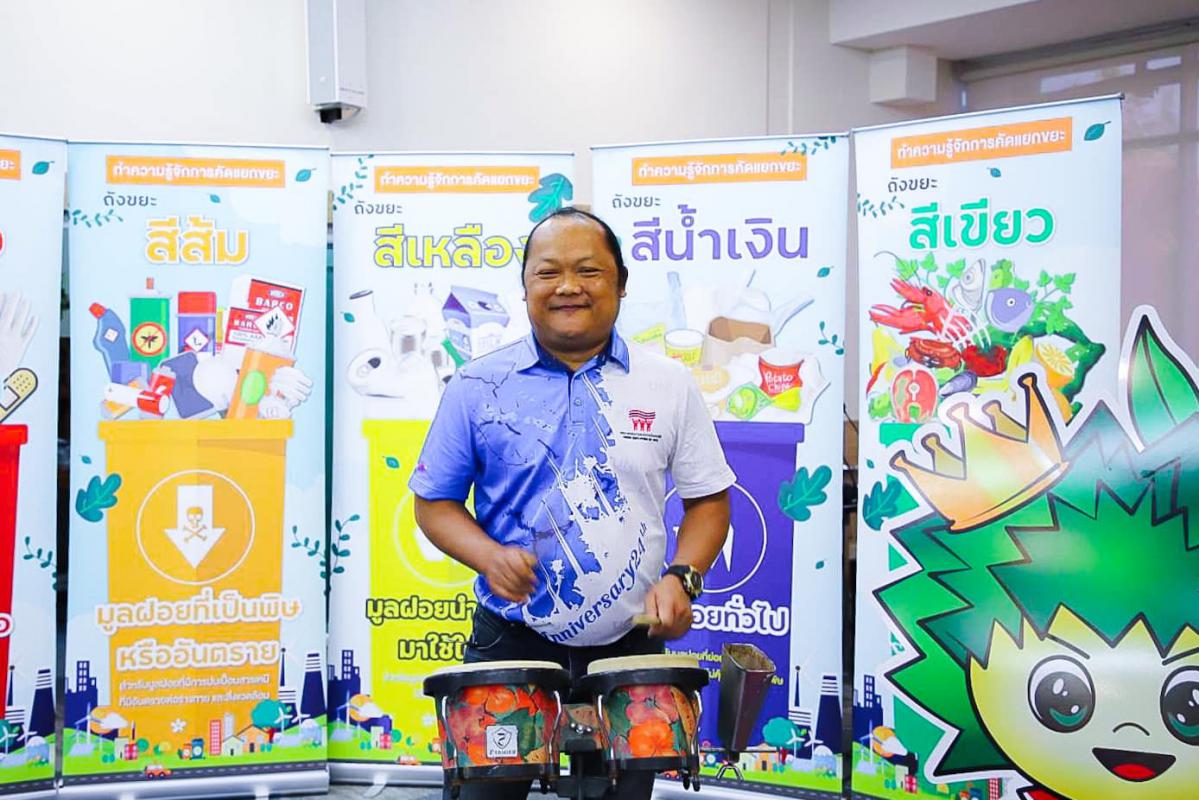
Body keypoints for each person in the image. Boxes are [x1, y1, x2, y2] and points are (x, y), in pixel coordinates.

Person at [410, 207, 735, 799]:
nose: (567, 287)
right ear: (525, 286)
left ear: (620, 284)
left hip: (629, 650)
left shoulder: (667, 383)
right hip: (510, 643)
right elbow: (434, 504)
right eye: (548, 272)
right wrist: (488, 556)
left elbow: (709, 502)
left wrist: (682, 579)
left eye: (588, 271)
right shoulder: (476, 385)